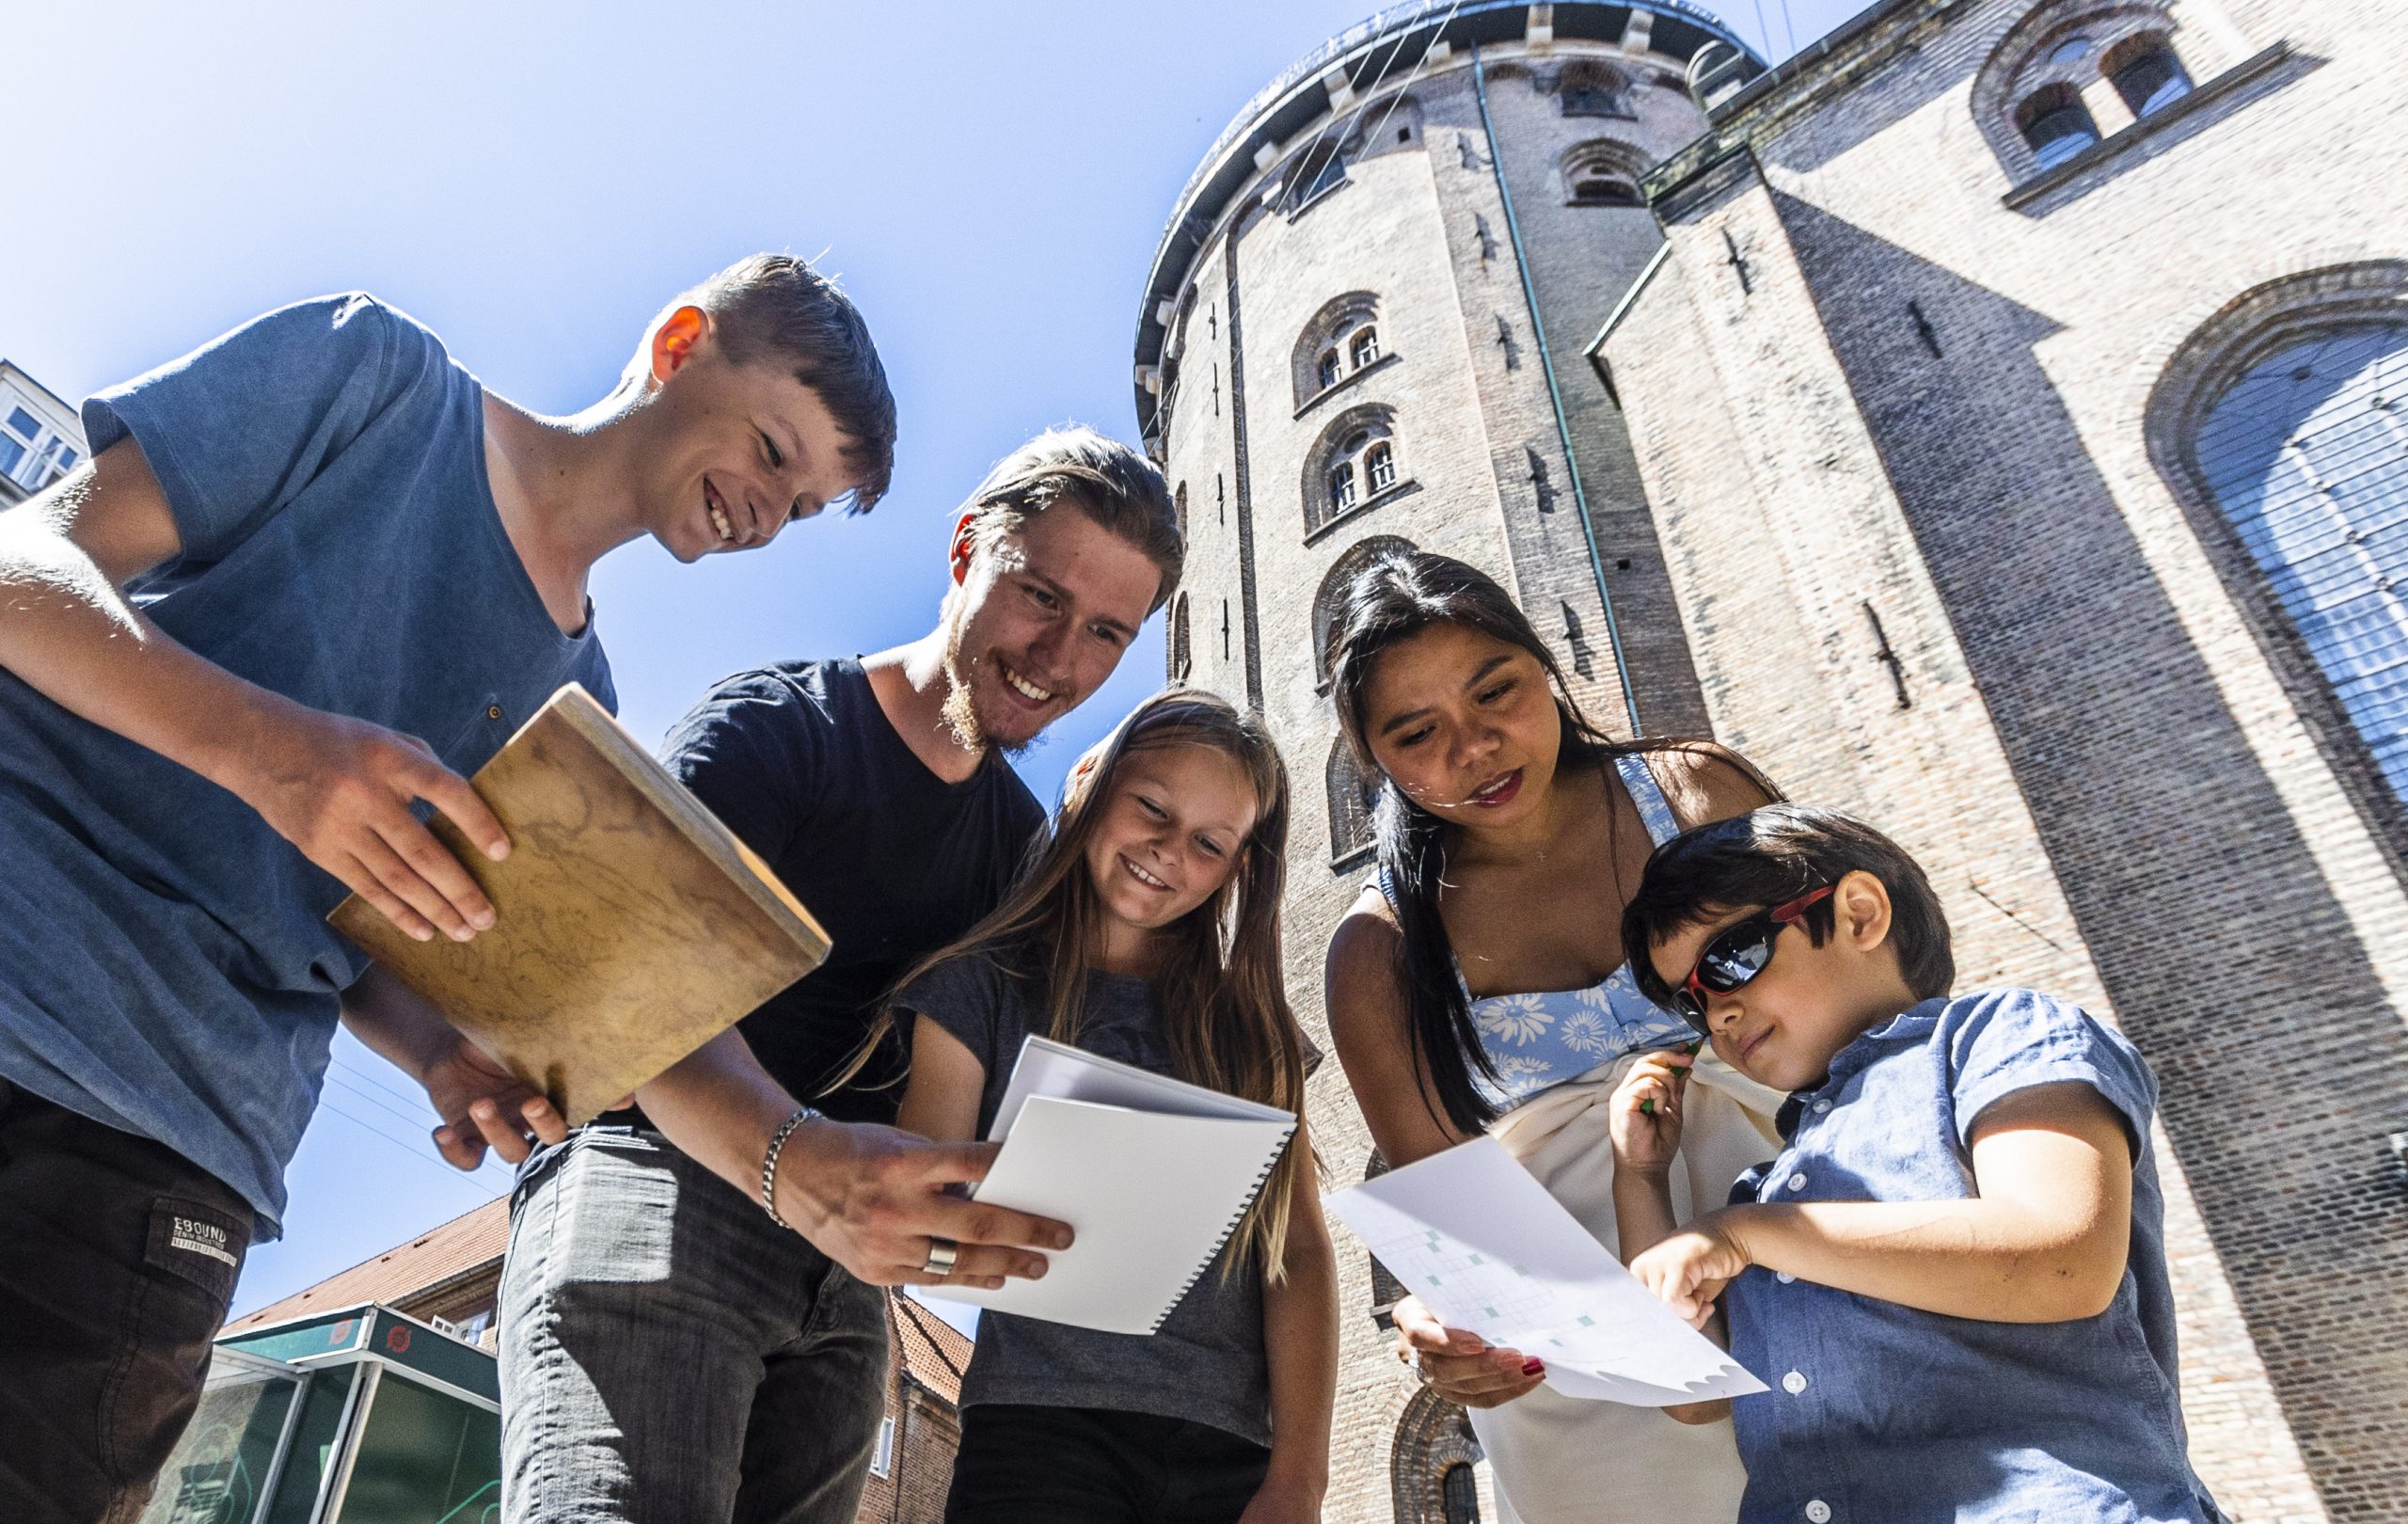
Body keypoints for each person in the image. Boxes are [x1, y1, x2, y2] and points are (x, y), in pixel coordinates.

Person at [0, 255, 897, 1523]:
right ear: (684, 337)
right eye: (771, 450)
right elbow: (21, 562)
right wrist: (270, 752)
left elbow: (361, 918)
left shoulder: (585, 720)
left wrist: (437, 1052)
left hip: (174, 1158)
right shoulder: (374, 375)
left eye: (797, 509)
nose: (764, 512)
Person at [494, 426, 1184, 1524]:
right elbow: (618, 993)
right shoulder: (776, 729)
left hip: (851, 1283)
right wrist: (794, 1167)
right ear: (967, 551)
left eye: (1106, 633)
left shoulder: (1024, 855)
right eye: (1041, 598)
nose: (1059, 661)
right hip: (660, 1187)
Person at [1319, 548, 1785, 1523]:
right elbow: (1455, 1227)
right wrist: (1441, 1327)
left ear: (1545, 666)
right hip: (1587, 1379)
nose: (1476, 746)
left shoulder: (1698, 797)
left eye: (1498, 691)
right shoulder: (1377, 955)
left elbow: (1867, 1027)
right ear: (1370, 760)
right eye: (1417, 733)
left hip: (1810, 1268)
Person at [1612, 805, 2228, 1524]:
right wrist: (1641, 1176)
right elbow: (1694, 1395)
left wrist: (1744, 1233)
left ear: (1862, 914)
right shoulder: (1769, 1183)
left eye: (1729, 960)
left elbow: (2064, 1260)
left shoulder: (1999, 1034)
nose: (1716, 1012)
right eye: (1691, 1001)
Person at [890, 689, 1337, 1524]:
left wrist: (1300, 1479)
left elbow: (1299, 1253)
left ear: (1238, 867)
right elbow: (911, 1216)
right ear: (1090, 782)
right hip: (1035, 1430)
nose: (1169, 851)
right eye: (1153, 809)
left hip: (1231, 1447)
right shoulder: (975, 987)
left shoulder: (1253, 1033)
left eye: (1208, 843)